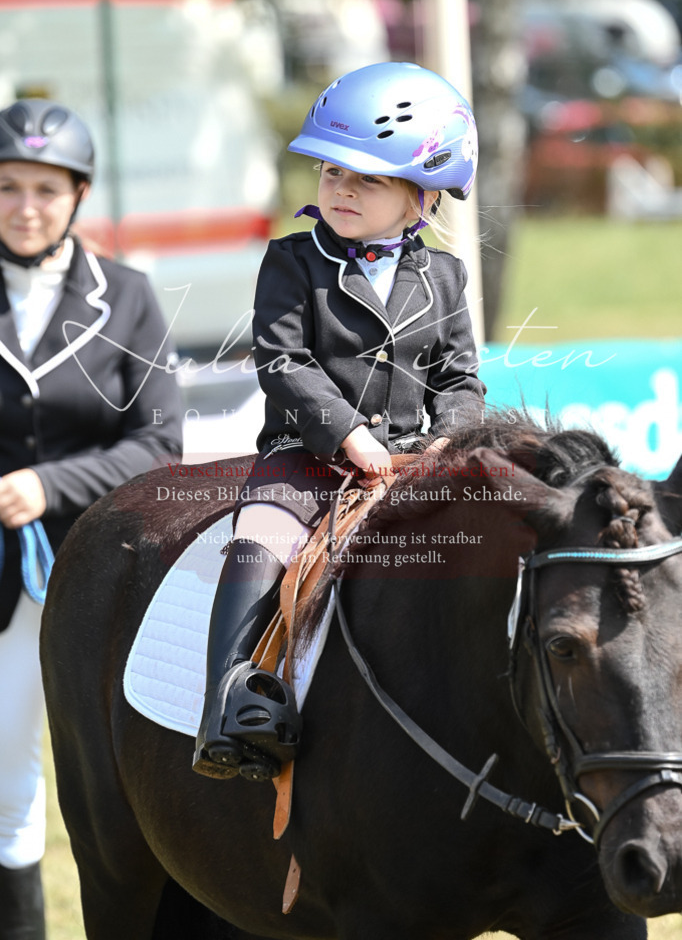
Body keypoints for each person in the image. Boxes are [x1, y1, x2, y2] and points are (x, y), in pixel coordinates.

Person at [193, 61, 485, 784]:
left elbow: (460, 378)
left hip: (417, 461)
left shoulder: (444, 276)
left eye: (368, 180)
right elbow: (282, 361)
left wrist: (450, 438)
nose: (342, 190)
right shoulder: (292, 262)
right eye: (331, 173)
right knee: (258, 541)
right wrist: (347, 432)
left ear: (421, 197)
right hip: (308, 458)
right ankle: (227, 701)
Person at [0, 98, 183, 939]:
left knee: (140, 779)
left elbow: (160, 443)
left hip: (105, 577)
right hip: (4, 588)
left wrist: (48, 484)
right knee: (8, 783)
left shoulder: (131, 298)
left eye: (44, 188)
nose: (25, 206)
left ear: (78, 194)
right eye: (7, 187)